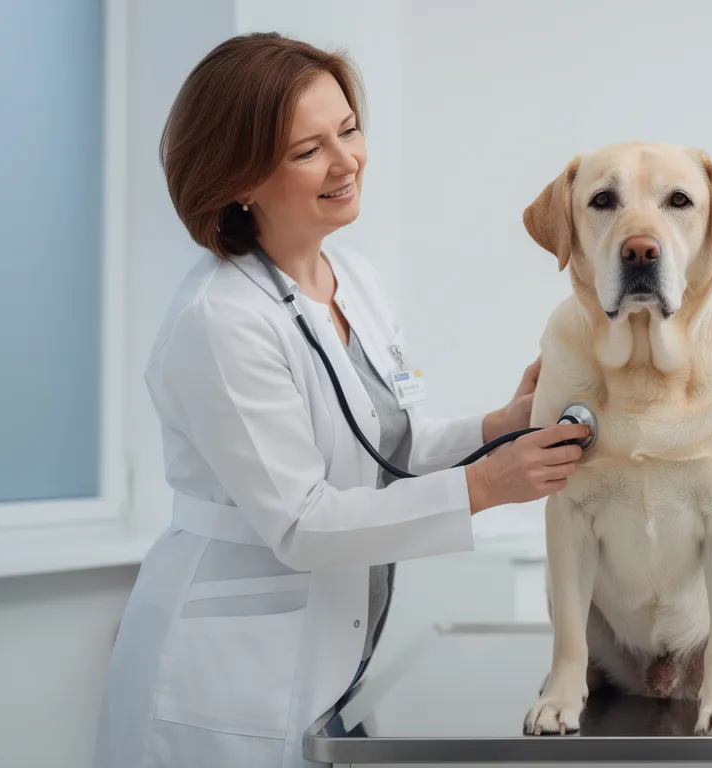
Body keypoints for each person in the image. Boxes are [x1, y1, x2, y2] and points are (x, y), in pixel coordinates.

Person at [92, 32, 588, 768]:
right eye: (307, 151)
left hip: (330, 662)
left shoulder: (350, 277)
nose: (346, 161)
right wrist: (486, 485)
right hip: (226, 688)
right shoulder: (220, 321)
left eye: (349, 130)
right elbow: (302, 521)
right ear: (239, 179)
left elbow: (389, 442)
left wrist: (501, 427)